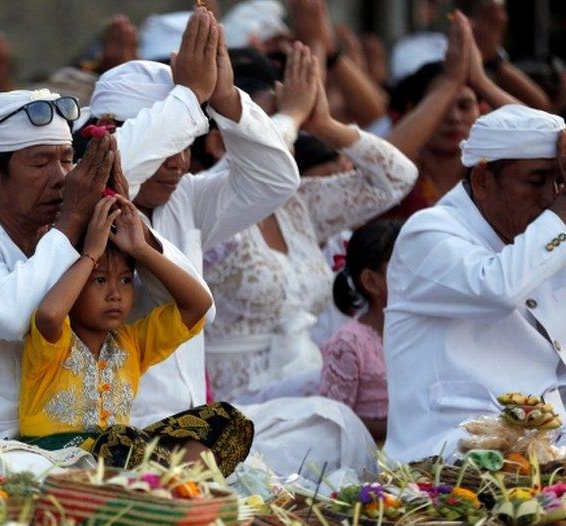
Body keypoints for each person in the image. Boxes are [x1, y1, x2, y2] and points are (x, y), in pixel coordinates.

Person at [0, 86, 210, 477]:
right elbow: (9, 317)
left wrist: (132, 222)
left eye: (67, 161)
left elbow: (198, 312)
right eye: (40, 163)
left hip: (83, 453)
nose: (61, 178)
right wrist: (72, 220)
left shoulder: (77, 244)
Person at [86, 7, 301, 426]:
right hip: (109, 436)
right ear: (113, 134)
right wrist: (187, 97)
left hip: (186, 432)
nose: (179, 164)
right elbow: (108, 170)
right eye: (168, 144)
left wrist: (224, 98)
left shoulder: (184, 199)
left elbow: (275, 180)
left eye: (187, 145)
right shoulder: (79, 208)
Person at [202, 44, 418, 404]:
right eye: (264, 123)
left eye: (287, 123)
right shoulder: (201, 199)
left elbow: (397, 177)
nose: (288, 130)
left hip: (306, 381)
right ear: (218, 144)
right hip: (231, 406)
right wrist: (290, 113)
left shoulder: (299, 204)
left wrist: (324, 124)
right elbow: (258, 165)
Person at [384, 105, 566, 464]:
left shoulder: (546, 231)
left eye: (559, 183)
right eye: (536, 181)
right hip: (449, 452)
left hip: (547, 446)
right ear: (482, 180)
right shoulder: (427, 233)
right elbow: (497, 290)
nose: (550, 197)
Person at [20, 195, 251, 474]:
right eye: (100, 279)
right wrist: (90, 255)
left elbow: (198, 306)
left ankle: (178, 488)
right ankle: (172, 484)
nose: (115, 294)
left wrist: (141, 248)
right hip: (59, 461)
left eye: (126, 280)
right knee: (121, 439)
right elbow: (49, 315)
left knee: (225, 419)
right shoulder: (56, 340)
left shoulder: (130, 343)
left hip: (124, 455)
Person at [382, 12, 519, 219]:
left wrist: (481, 81)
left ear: (481, 111)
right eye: (442, 108)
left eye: (465, 106)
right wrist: (451, 83)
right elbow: (377, 161)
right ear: (416, 112)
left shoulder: (495, 176)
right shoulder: (398, 179)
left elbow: (550, 138)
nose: (454, 118)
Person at [320, 219, 403, 441]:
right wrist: (401, 425)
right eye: (402, 267)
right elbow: (333, 419)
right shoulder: (348, 344)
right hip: (367, 462)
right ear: (371, 281)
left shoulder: (422, 331)